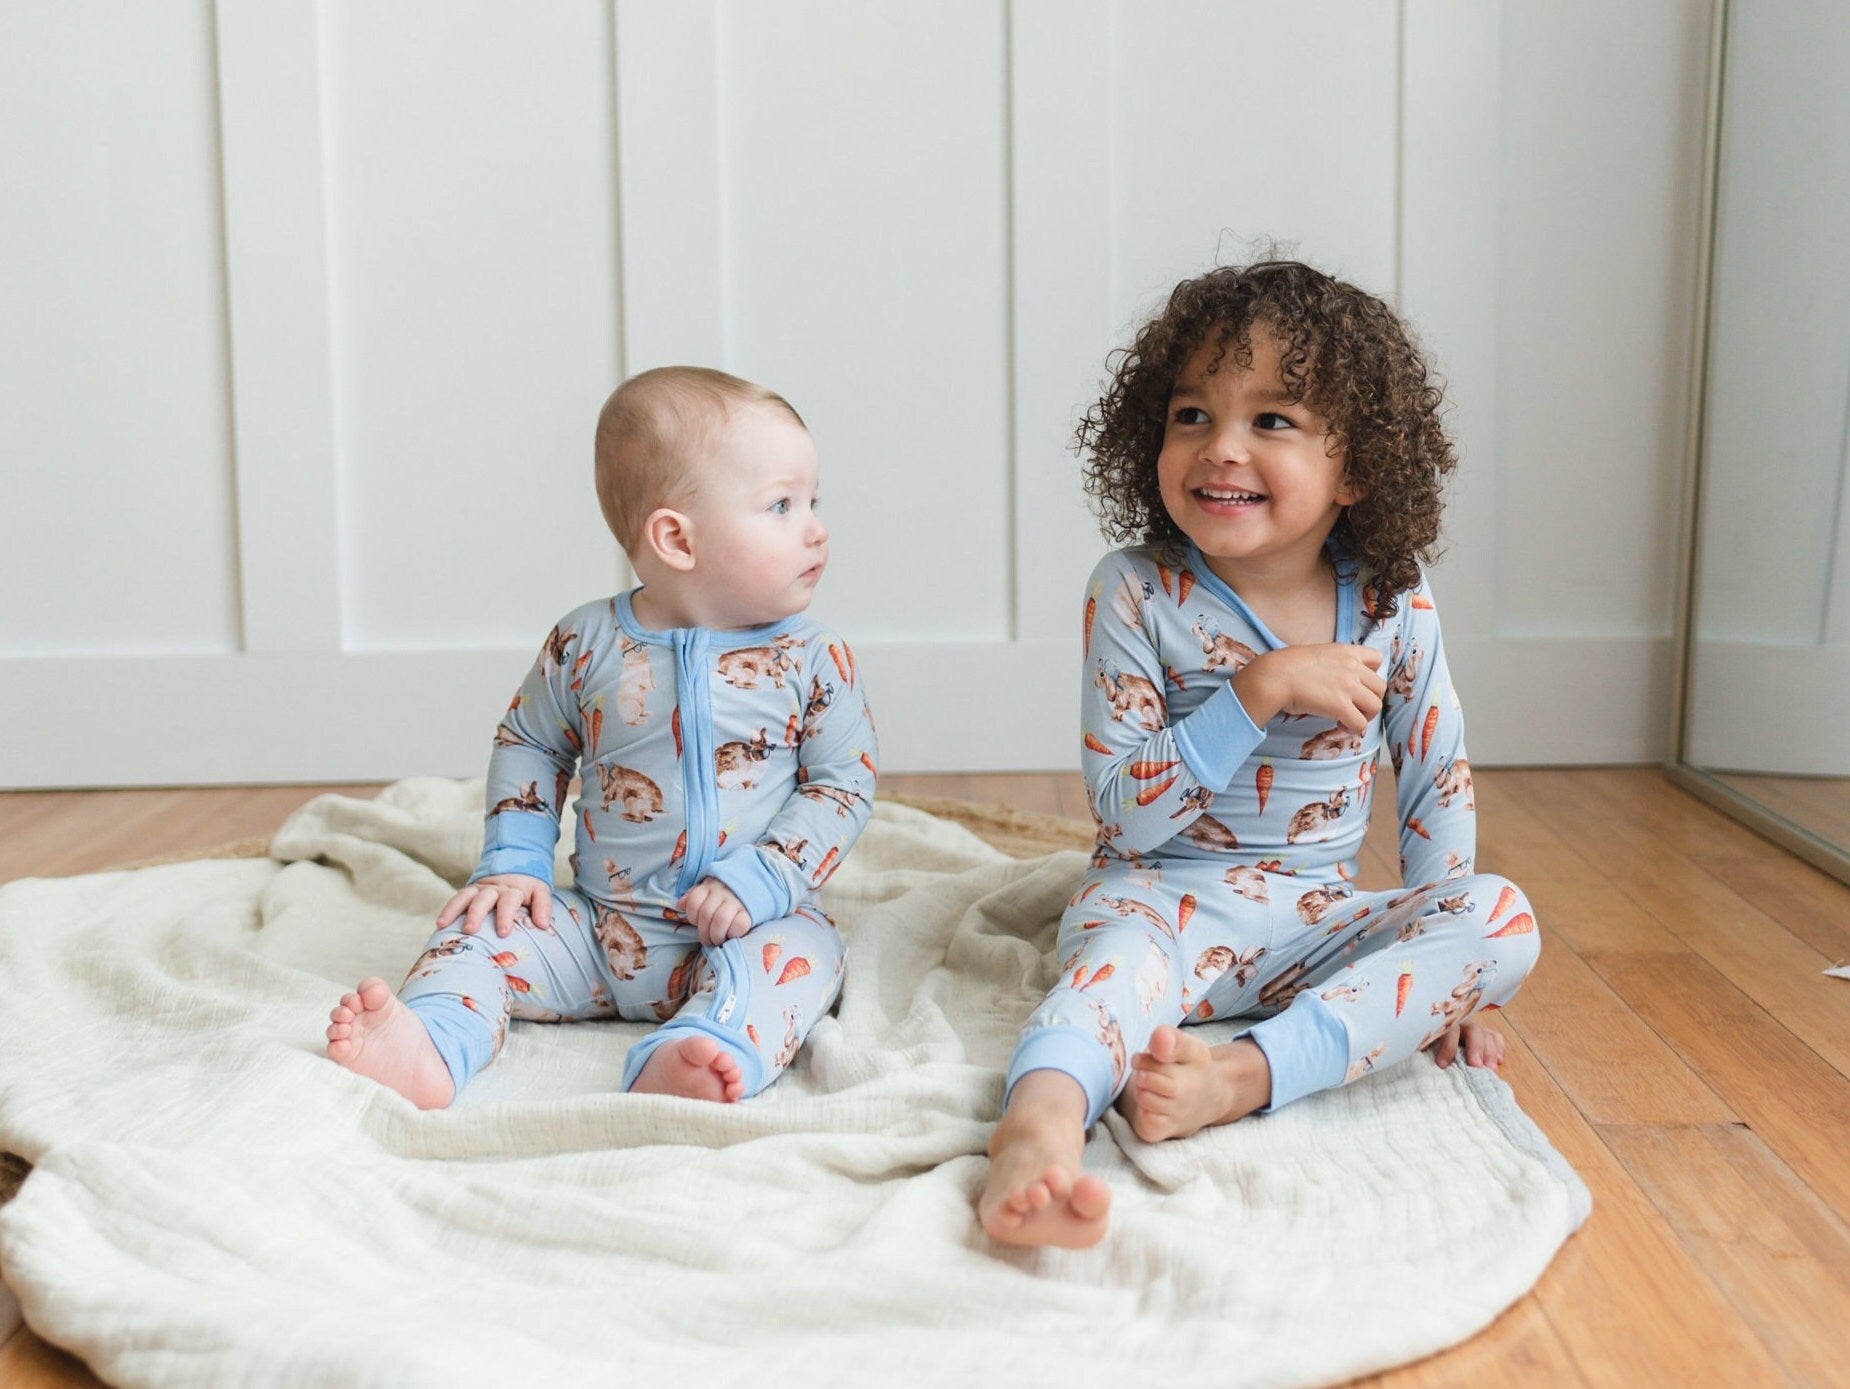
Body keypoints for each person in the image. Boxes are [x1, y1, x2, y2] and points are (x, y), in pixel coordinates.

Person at [978, 259, 1541, 1248]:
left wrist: (1440, 973)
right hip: (1155, 904)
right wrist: (1258, 689)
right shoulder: (1134, 590)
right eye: (1190, 415)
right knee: (1102, 983)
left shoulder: (1391, 599)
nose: (1219, 447)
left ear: (1354, 468)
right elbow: (1125, 813)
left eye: (1270, 420)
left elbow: (1434, 776)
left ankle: (1241, 1077)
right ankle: (1036, 1134)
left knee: (1501, 919)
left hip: (1309, 924)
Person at [326, 367, 876, 1108]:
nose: (815, 527)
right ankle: (431, 1042)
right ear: (676, 538)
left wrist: (768, 878)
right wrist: (513, 863)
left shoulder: (814, 659)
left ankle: (703, 1047)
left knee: (806, 957)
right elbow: (530, 742)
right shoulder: (586, 643)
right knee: (474, 932)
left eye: (813, 502)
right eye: (782, 505)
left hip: (748, 922)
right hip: (595, 929)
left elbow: (843, 784)